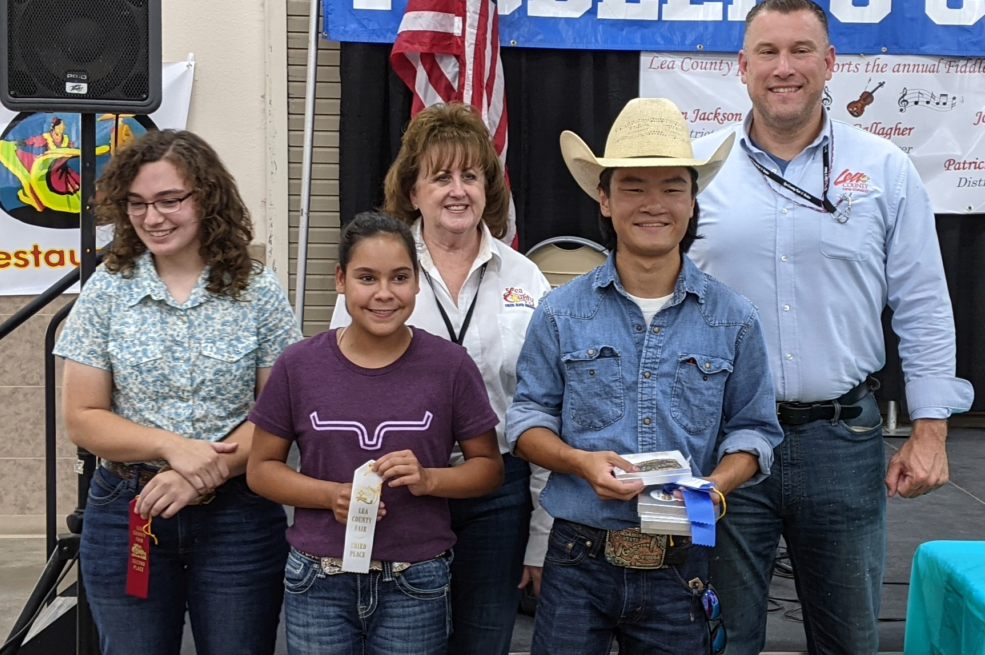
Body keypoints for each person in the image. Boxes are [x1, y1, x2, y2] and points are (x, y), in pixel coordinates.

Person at [689, 2, 975, 653]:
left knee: (848, 640)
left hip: (842, 443)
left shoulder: (883, 169)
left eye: (800, 50)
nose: (783, 67)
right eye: (767, 51)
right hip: (725, 446)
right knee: (719, 639)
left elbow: (925, 302)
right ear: (742, 65)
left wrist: (930, 428)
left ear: (830, 64)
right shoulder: (697, 171)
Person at [506, 97, 784, 655]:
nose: (653, 204)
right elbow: (526, 422)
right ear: (604, 200)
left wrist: (714, 487)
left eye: (671, 187)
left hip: (683, 561)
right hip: (577, 559)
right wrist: (579, 462)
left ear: (692, 199)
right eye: (633, 186)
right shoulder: (560, 313)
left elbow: (755, 432)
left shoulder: (734, 318)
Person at [55, 129, 301, 655]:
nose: (153, 217)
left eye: (170, 200)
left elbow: (280, 413)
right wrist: (173, 448)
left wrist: (199, 476)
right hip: (130, 511)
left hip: (238, 512)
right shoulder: (107, 289)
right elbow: (82, 416)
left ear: (206, 198)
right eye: (138, 203)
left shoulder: (258, 290)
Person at [329, 102, 554, 655]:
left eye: (471, 176)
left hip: (499, 493)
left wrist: (542, 538)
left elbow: (550, 406)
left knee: (484, 641)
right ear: (412, 191)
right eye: (441, 176)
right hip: (398, 489)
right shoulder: (378, 272)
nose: (458, 191)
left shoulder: (526, 277)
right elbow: (339, 382)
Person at [247, 211, 505, 655]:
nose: (384, 294)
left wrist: (430, 479)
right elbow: (261, 470)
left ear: (418, 282)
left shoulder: (449, 365)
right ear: (340, 280)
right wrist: (331, 496)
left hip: (417, 576)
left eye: (400, 277)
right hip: (318, 576)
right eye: (367, 278)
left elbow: (489, 469)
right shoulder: (298, 365)